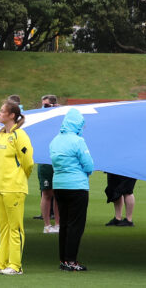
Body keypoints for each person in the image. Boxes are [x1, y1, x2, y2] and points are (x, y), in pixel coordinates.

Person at [50, 107, 95, 272]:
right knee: (76, 225)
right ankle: (71, 260)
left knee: (64, 224)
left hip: (59, 186)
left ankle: (63, 259)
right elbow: (89, 164)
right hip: (77, 186)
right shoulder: (78, 141)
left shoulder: (55, 140)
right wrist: (86, 172)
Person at [0, 100, 34, 275]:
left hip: (13, 188)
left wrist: (18, 178)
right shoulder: (0, 135)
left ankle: (15, 265)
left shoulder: (19, 135)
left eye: (2, 112)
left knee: (15, 228)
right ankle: (2, 263)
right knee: (3, 228)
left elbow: (28, 163)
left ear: (11, 115)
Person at [38, 94, 60, 233]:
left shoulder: (60, 117)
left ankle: (58, 224)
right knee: (46, 194)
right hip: (45, 162)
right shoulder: (41, 119)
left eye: (46, 105)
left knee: (58, 194)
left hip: (58, 161)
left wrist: (59, 110)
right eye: (43, 105)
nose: (44, 108)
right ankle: (47, 225)